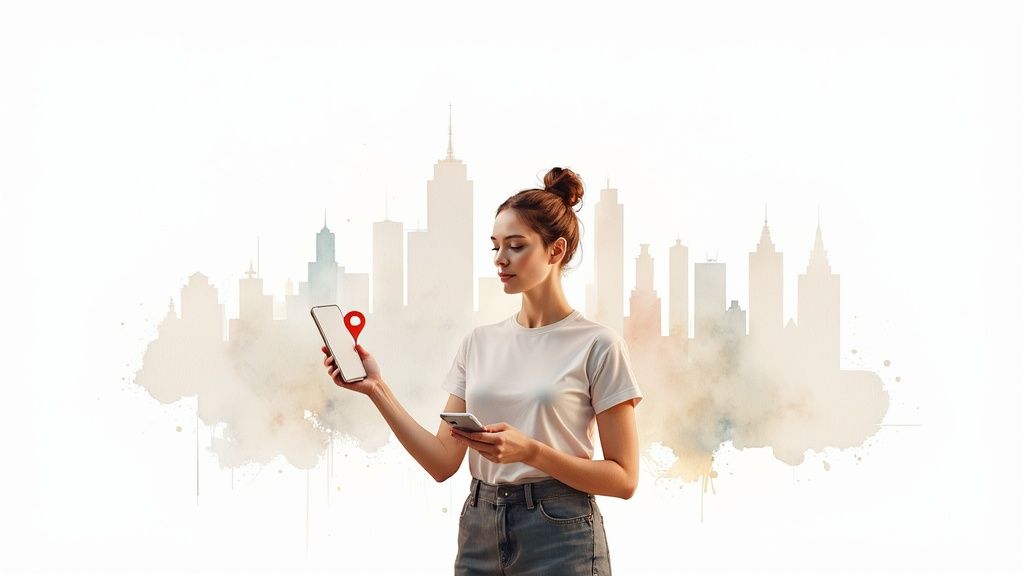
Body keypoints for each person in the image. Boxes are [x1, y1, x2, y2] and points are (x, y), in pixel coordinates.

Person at [321, 166, 643, 575]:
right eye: (495, 247)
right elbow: (442, 462)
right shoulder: (478, 342)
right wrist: (376, 388)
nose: (500, 259)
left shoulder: (599, 344)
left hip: (561, 534)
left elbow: (624, 479)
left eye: (516, 246)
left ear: (556, 250)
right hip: (480, 527)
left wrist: (531, 452)